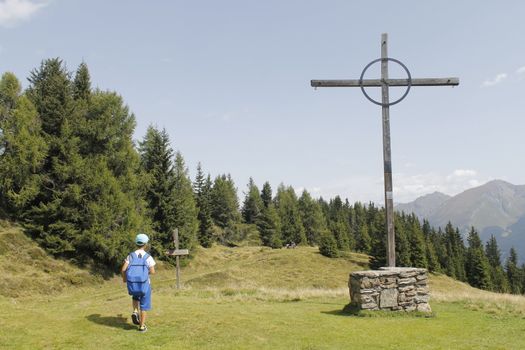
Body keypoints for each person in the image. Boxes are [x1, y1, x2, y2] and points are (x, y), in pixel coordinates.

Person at [121, 233, 156, 332]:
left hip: (133, 284)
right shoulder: (148, 257)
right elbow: (153, 272)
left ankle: (135, 311)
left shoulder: (130, 256)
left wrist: (125, 279)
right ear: (146, 244)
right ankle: (141, 326)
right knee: (144, 306)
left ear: (136, 243)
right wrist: (145, 272)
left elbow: (123, 269)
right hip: (145, 285)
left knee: (135, 297)